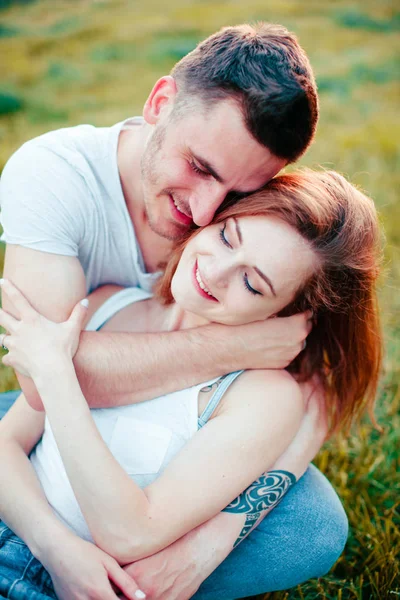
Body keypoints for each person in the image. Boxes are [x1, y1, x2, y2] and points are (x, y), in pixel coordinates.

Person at [0, 21, 345, 600]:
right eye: (202, 169)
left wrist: (206, 543)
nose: (208, 211)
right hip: (53, 410)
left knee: (312, 520)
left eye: (236, 194)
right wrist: (233, 347)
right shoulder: (56, 175)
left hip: (188, 427)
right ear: (161, 103)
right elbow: (46, 381)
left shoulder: (258, 231)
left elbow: (312, 393)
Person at [0, 170, 382, 600]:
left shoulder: (262, 395)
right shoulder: (110, 302)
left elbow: (129, 533)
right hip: (29, 530)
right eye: (226, 237)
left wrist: (55, 373)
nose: (215, 272)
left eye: (252, 284)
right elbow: (6, 445)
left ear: (287, 311)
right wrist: (55, 547)